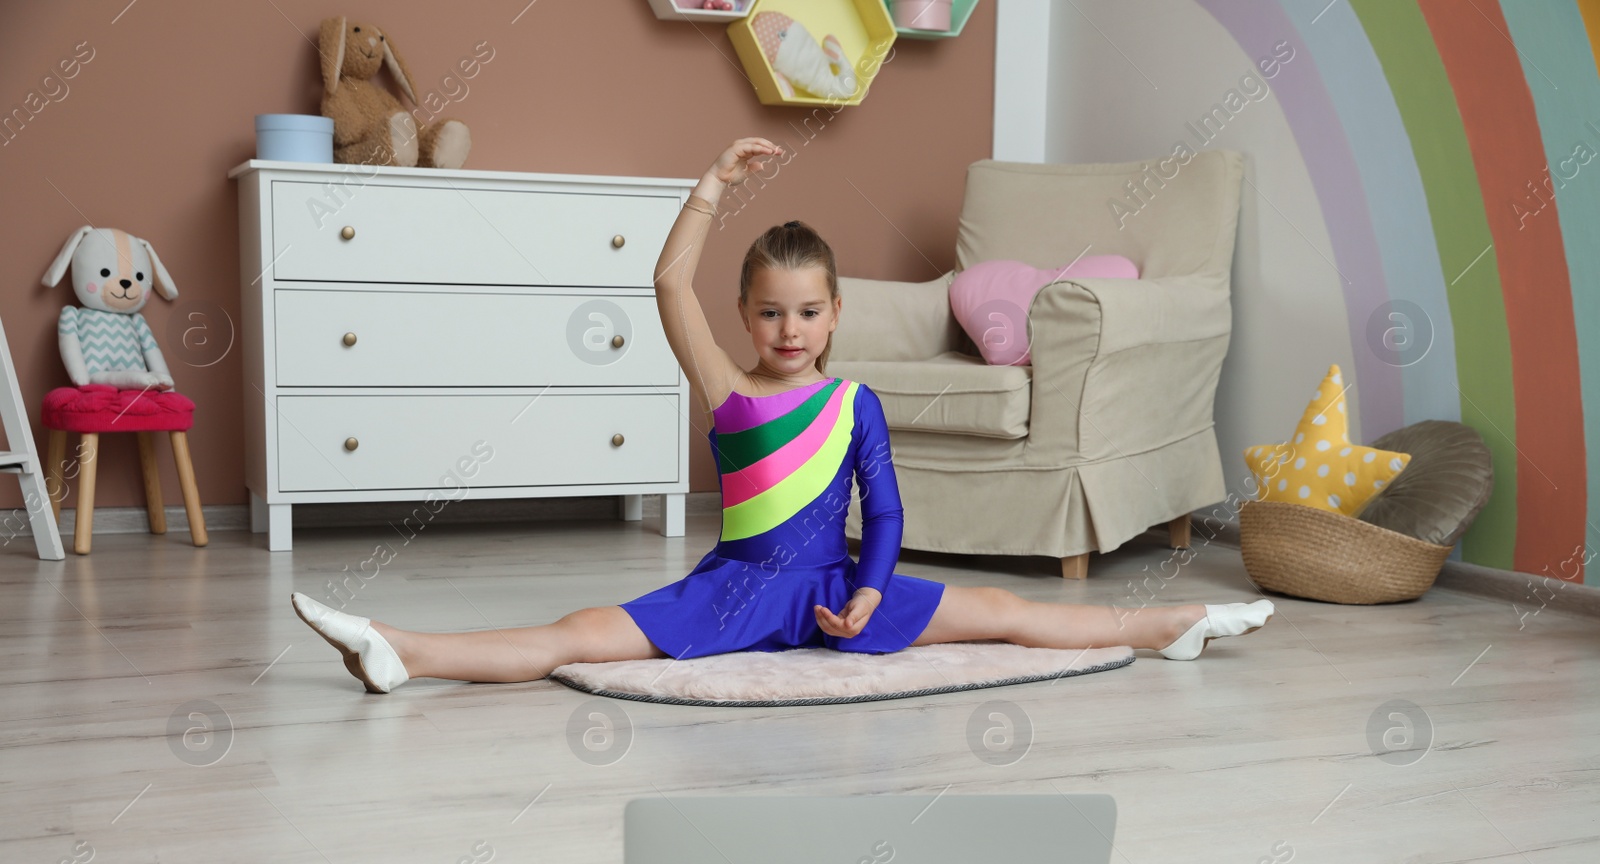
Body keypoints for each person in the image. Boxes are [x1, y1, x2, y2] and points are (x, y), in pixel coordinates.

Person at [290, 136, 1274, 693]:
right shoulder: (732, 390)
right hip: (739, 587)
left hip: (836, 585)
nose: (789, 327)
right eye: (770, 310)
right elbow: (667, 282)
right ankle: (402, 646)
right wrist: (712, 188)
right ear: (745, 315)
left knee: (1014, 613)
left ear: (834, 314)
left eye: (808, 311)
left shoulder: (855, 401)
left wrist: (874, 592)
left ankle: (1176, 621)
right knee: (580, 630)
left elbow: (883, 513)